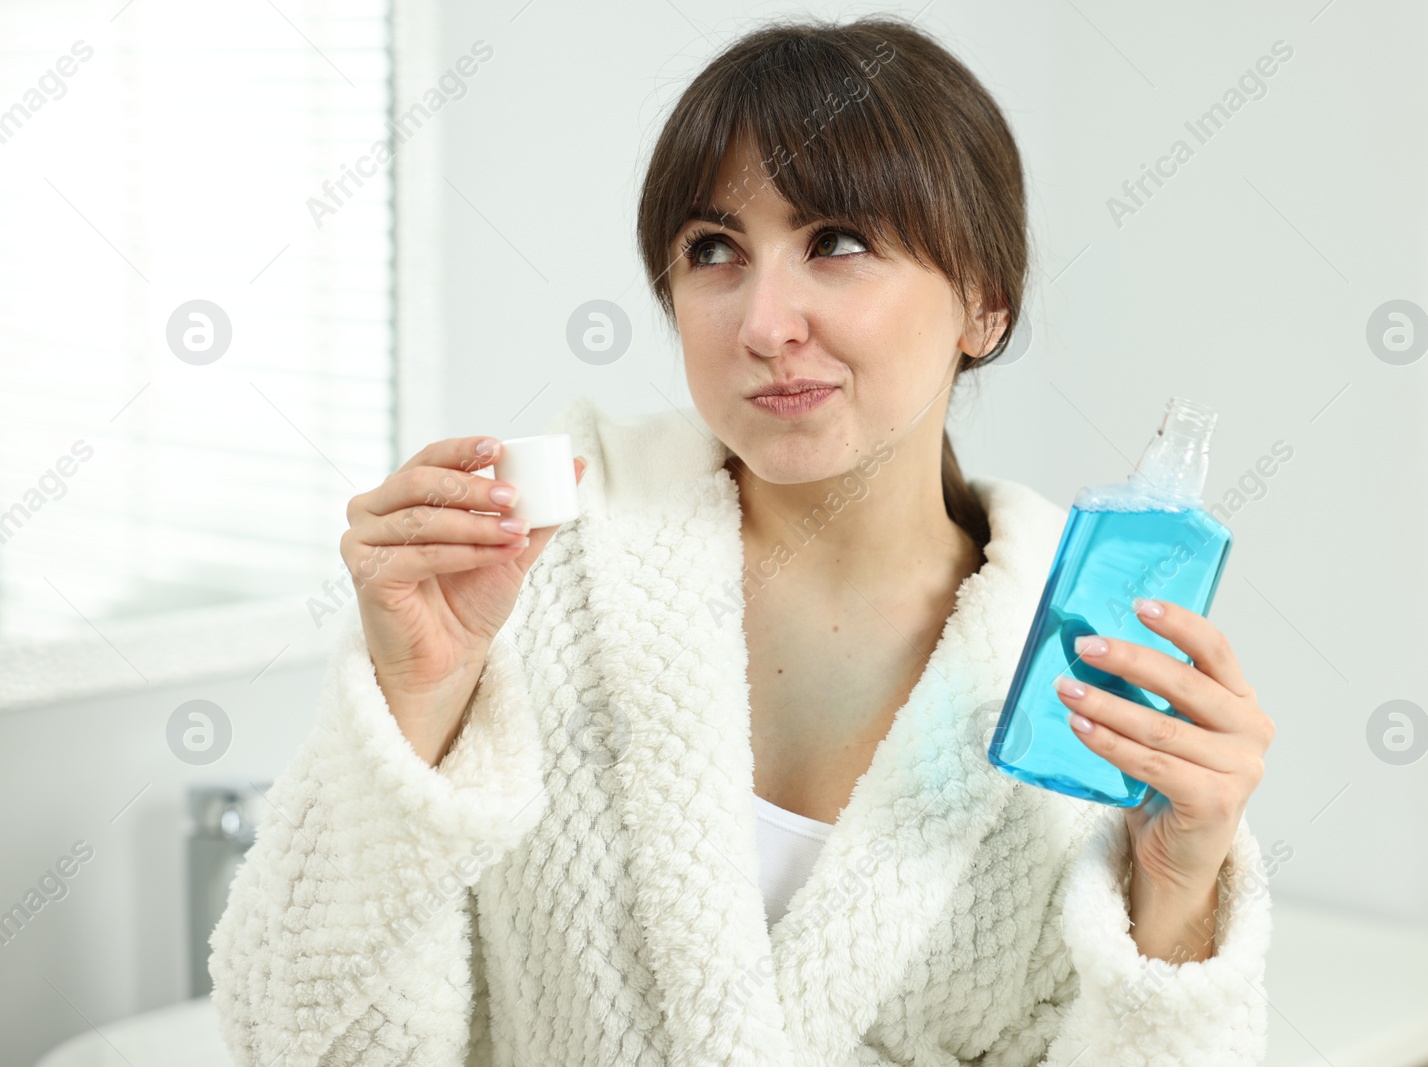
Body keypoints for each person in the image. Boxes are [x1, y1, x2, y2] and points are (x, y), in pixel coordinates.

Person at [210, 15, 1276, 1066]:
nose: (765, 321)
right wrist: (414, 702)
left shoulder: (1079, 673)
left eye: (838, 241)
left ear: (984, 306)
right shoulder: (531, 587)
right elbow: (293, 1041)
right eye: (714, 249)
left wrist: (1178, 893)